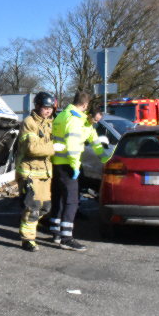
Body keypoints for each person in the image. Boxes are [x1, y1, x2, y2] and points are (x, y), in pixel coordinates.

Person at [49, 91, 111, 251]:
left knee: (59, 199)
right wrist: (75, 167)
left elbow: (94, 139)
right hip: (68, 164)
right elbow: (73, 146)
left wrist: (105, 158)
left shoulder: (63, 115)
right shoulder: (75, 120)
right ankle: (66, 238)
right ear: (85, 105)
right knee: (71, 201)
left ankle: (56, 232)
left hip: (57, 163)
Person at [15, 92, 62, 251]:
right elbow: (32, 149)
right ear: (37, 107)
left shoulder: (50, 123)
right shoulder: (30, 122)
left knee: (45, 207)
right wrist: (53, 148)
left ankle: (30, 228)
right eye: (45, 108)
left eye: (50, 108)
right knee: (32, 207)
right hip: (30, 173)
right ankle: (27, 239)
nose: (48, 111)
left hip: (45, 174)